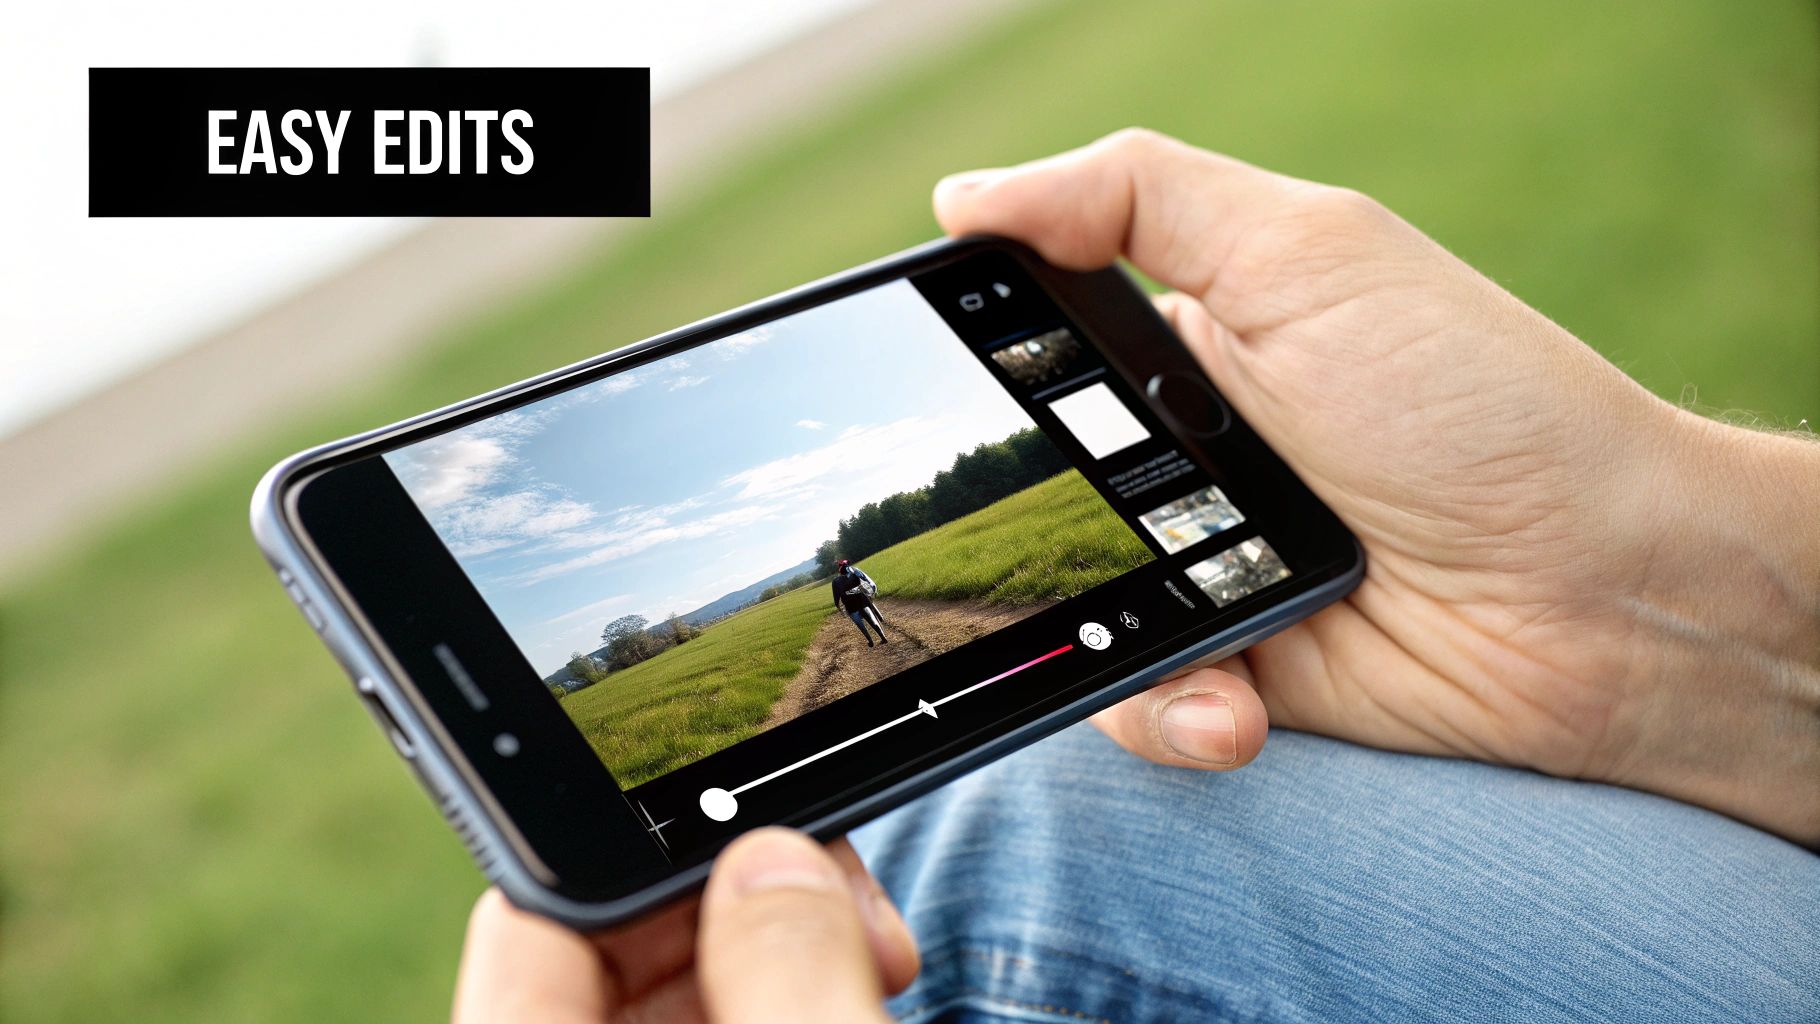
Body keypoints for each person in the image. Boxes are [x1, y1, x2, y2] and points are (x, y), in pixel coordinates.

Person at [453, 130, 1820, 1023]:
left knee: (961, 832)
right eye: (844, 575)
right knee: (1005, 784)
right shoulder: (835, 573)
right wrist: (1653, 606)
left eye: (849, 574)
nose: (848, 576)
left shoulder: (856, 559)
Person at [833, 558, 888, 647]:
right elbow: (867, 581)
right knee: (872, 620)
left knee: (860, 625)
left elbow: (836, 598)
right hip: (862, 601)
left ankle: (870, 640)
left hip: (850, 606)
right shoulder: (855, 573)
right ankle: (882, 637)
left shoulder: (835, 581)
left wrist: (839, 607)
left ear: (839, 570)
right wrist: (872, 591)